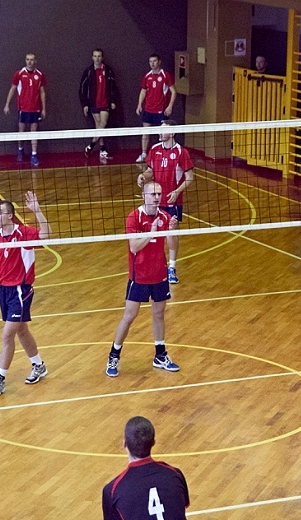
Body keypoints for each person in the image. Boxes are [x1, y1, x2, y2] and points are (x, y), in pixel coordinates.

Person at [106, 181, 180, 377]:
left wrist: (172, 231)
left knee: (159, 314)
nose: (156, 198)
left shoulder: (165, 217)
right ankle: (114, 355)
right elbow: (134, 247)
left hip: (159, 274)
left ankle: (160, 355)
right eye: (152, 194)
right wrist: (151, 233)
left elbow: (173, 246)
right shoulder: (134, 217)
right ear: (143, 196)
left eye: (159, 194)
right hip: (139, 275)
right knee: (130, 315)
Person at [0, 193, 51, 396]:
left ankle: (0, 379)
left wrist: (37, 210)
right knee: (22, 330)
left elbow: (46, 234)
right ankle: (38, 365)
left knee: (8, 335)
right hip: (3, 290)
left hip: (21, 290)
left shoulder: (23, 233)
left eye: (0, 212)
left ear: (10, 215)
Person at [102, 416, 191, 520]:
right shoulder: (175, 474)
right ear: (153, 443)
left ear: (124, 444)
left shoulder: (112, 490)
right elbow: (178, 513)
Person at [137, 120, 195, 284]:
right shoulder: (154, 149)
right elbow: (150, 171)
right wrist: (143, 177)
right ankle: (153, 266)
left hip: (172, 202)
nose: (160, 133)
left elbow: (190, 178)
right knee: (151, 234)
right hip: (154, 200)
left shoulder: (181, 152)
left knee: (171, 233)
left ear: (173, 133)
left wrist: (177, 192)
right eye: (159, 130)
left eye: (163, 130)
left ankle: (172, 268)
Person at [3, 52, 47, 166]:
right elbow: (13, 89)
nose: (29, 62)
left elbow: (42, 92)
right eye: (27, 59)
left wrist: (43, 108)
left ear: (35, 61)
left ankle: (34, 155)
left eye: (32, 60)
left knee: (34, 131)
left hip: (35, 108)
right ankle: (20, 150)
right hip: (23, 108)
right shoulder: (19, 74)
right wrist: (7, 104)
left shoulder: (40, 75)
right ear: (25, 60)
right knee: (21, 131)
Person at [135, 53, 177, 163]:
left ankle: (164, 154)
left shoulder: (165, 75)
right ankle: (144, 154)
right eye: (150, 61)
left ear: (159, 62)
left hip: (161, 110)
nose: (152, 64)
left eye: (154, 61)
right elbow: (143, 91)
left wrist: (170, 106)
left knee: (163, 134)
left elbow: (173, 91)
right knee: (145, 132)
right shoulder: (147, 76)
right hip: (148, 109)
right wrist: (139, 105)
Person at [79, 48, 118, 162]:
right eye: (95, 56)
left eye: (99, 56)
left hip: (105, 102)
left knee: (103, 123)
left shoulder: (108, 70)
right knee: (99, 125)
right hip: (93, 103)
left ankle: (91, 145)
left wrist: (113, 101)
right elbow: (82, 88)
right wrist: (85, 104)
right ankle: (102, 148)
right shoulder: (88, 71)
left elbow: (113, 86)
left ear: (102, 57)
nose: (97, 58)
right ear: (92, 57)